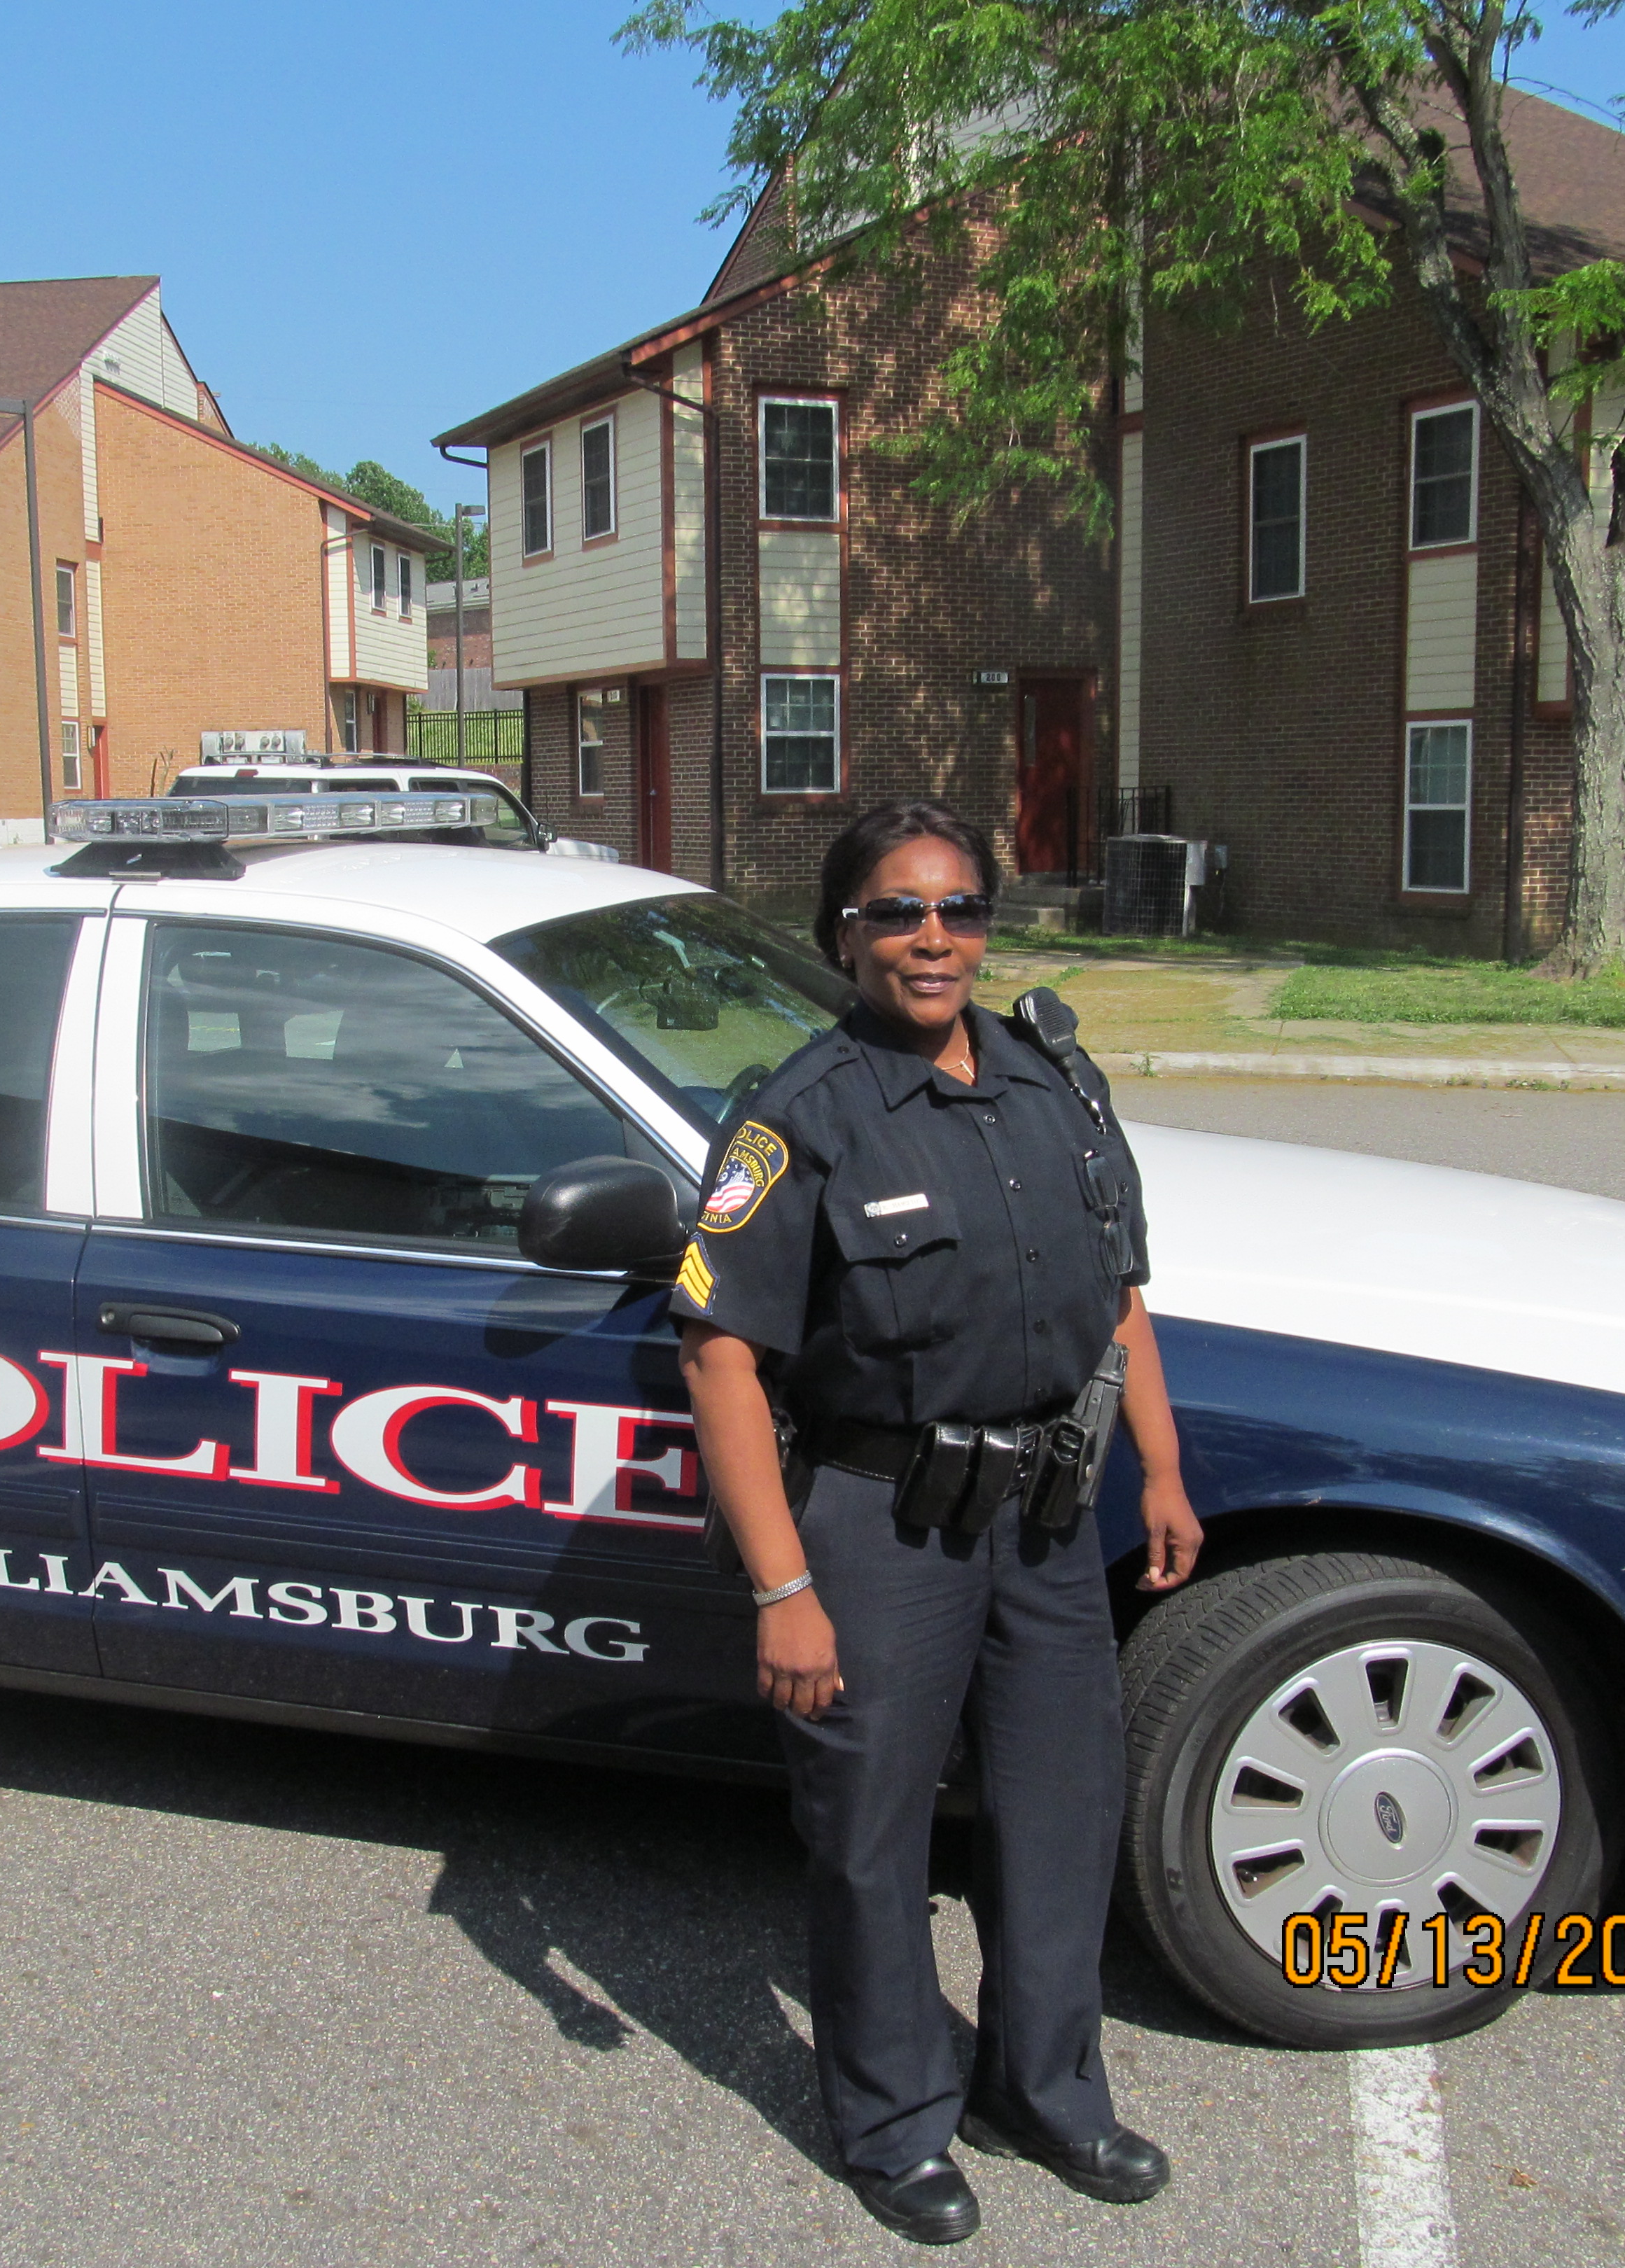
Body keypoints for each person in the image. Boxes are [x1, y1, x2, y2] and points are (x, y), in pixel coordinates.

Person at [674, 799, 1205, 2245]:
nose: (932, 937)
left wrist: (1160, 1470)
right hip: (878, 1522)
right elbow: (720, 1361)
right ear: (843, 935)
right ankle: (896, 2119)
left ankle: (1045, 2086)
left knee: (1060, 1809)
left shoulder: (1053, 1083)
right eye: (896, 912)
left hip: (1045, 1516)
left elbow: (1118, 1296)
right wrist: (783, 1588)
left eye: (958, 908)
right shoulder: (802, 1117)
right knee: (872, 1834)